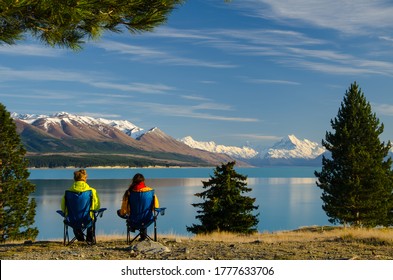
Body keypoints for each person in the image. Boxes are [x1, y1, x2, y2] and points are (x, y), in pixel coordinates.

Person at [61, 169, 100, 243]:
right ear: (85, 179)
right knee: (92, 218)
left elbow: (63, 208)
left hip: (72, 220)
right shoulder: (92, 191)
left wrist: (64, 213)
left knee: (75, 221)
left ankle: (80, 239)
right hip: (87, 219)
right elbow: (96, 207)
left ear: (74, 179)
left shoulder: (67, 192)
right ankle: (89, 239)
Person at [117, 173, 159, 240]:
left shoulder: (129, 192)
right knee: (144, 216)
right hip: (147, 219)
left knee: (119, 212)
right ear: (143, 181)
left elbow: (124, 209)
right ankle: (143, 236)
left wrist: (123, 213)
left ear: (133, 181)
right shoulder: (151, 191)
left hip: (133, 219)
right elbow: (156, 206)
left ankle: (133, 228)